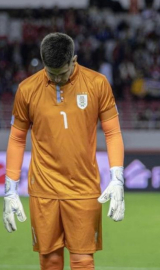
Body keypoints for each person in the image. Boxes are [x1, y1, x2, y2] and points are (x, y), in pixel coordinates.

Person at [2, 32, 125, 270]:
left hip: (84, 188)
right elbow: (17, 138)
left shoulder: (97, 83)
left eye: (62, 73)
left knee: (82, 262)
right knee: (50, 261)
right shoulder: (27, 89)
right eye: (51, 73)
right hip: (43, 189)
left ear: (74, 60)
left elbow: (113, 133)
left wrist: (117, 178)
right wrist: (10, 190)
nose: (57, 79)